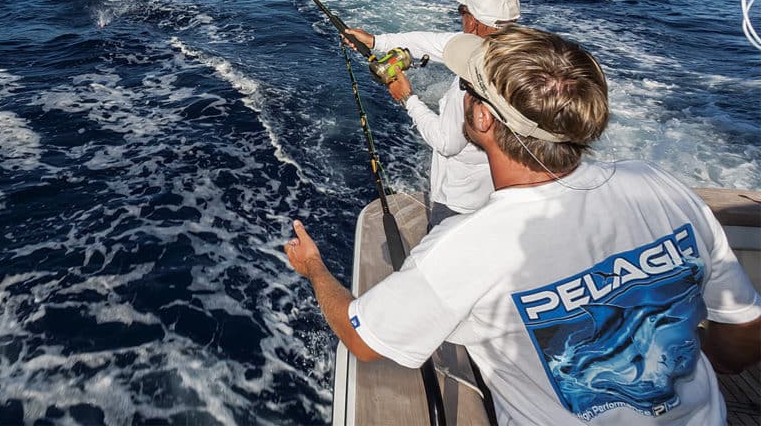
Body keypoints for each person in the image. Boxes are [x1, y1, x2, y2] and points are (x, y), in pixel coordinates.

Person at [285, 26, 761, 425]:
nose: (463, 94)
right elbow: (742, 338)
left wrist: (315, 270)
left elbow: (361, 338)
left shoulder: (466, 246)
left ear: (484, 118)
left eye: (466, 88)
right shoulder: (657, 184)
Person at [345, 0, 521, 227]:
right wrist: (375, 41)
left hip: (461, 201)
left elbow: (447, 143)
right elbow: (427, 42)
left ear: (475, 23)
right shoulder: (518, 55)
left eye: (463, 11)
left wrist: (408, 98)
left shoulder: (472, 85)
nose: (461, 17)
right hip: (503, 189)